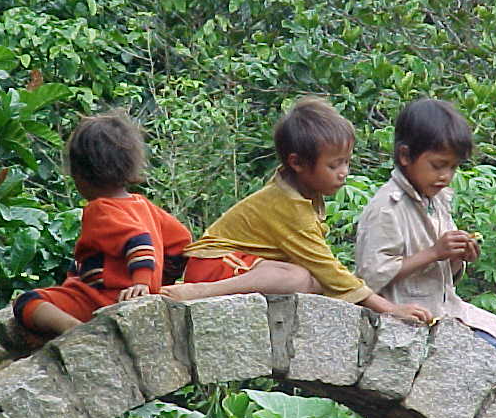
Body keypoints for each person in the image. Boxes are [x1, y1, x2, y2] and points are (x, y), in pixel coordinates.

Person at [355, 98, 496, 418]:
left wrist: (459, 257)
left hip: (450, 308)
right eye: (438, 165)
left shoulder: (437, 200)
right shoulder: (386, 207)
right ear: (405, 156)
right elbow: (370, 278)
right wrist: (434, 252)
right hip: (414, 316)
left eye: (453, 167)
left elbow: (444, 271)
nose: (446, 175)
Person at [160, 96, 431, 322]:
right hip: (215, 264)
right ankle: (201, 292)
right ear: (298, 163)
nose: (344, 173)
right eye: (334, 165)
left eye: (347, 162)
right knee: (300, 277)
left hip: (245, 264)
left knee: (310, 282)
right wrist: (389, 309)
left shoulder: (299, 192)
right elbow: (328, 268)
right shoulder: (289, 207)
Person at [13, 111, 192, 336]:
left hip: (102, 299)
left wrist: (141, 282)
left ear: (79, 174)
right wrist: (157, 284)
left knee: (27, 301)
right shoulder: (143, 205)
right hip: (128, 296)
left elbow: (138, 240)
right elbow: (181, 242)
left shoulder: (100, 209)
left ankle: (74, 330)